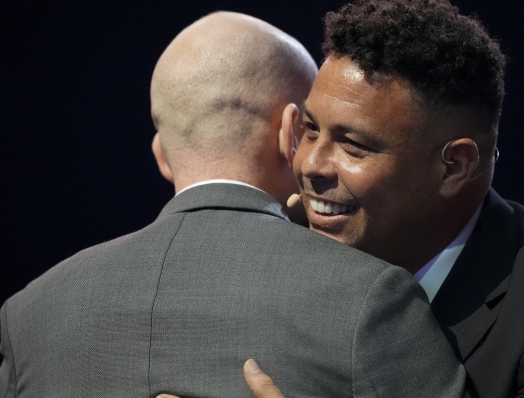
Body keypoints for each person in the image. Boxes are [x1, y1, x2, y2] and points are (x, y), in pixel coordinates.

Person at [0, 11, 466, 398]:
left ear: (162, 154)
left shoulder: (29, 315)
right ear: (289, 134)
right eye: (309, 128)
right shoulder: (372, 297)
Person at [223, 0, 524, 397]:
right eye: (311, 130)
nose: (311, 165)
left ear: (454, 166)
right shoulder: (274, 246)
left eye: (353, 145)